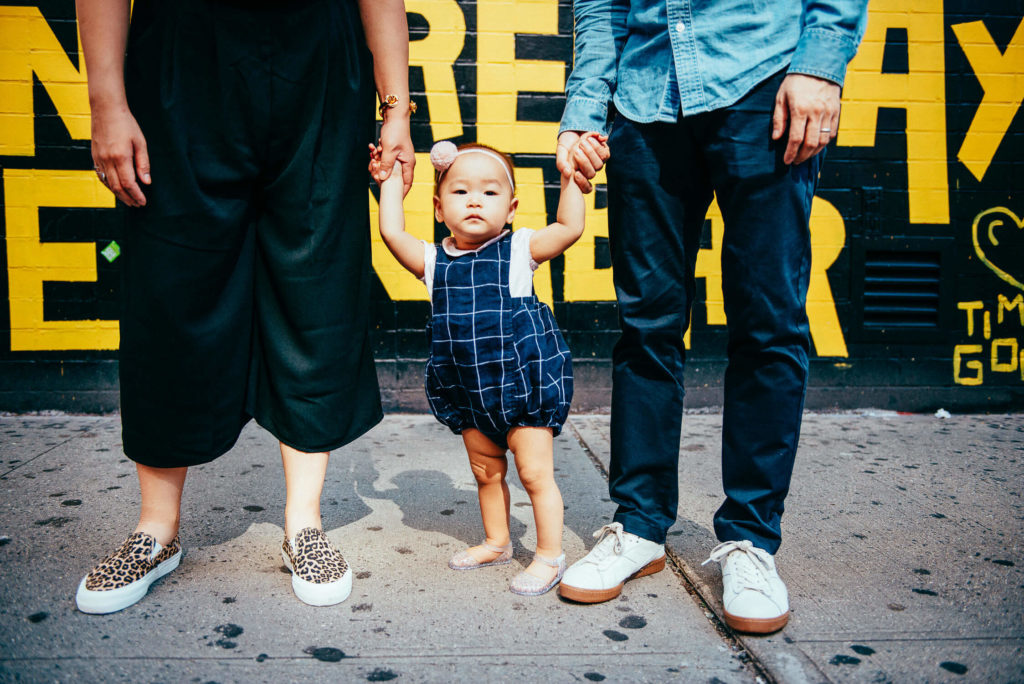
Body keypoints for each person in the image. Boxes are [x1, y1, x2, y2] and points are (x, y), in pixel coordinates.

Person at [73, 0, 414, 613]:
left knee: (317, 282)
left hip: (321, 63)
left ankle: (303, 524)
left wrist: (396, 108)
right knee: (171, 289)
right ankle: (156, 530)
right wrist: (107, 101)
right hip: (183, 53)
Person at [555, 0, 868, 633]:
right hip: (644, 98)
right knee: (646, 326)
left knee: (768, 322)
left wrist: (820, 64)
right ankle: (639, 524)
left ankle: (751, 539)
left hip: (766, 82)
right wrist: (585, 108)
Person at [370, 136, 606, 595]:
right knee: (486, 472)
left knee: (535, 474)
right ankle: (497, 541)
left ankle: (548, 555)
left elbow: (568, 227)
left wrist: (571, 179)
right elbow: (392, 234)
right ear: (439, 208)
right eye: (460, 192)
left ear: (512, 207)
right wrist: (390, 185)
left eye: (490, 192)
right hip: (468, 390)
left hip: (522, 387)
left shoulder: (519, 250)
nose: (474, 199)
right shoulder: (434, 262)